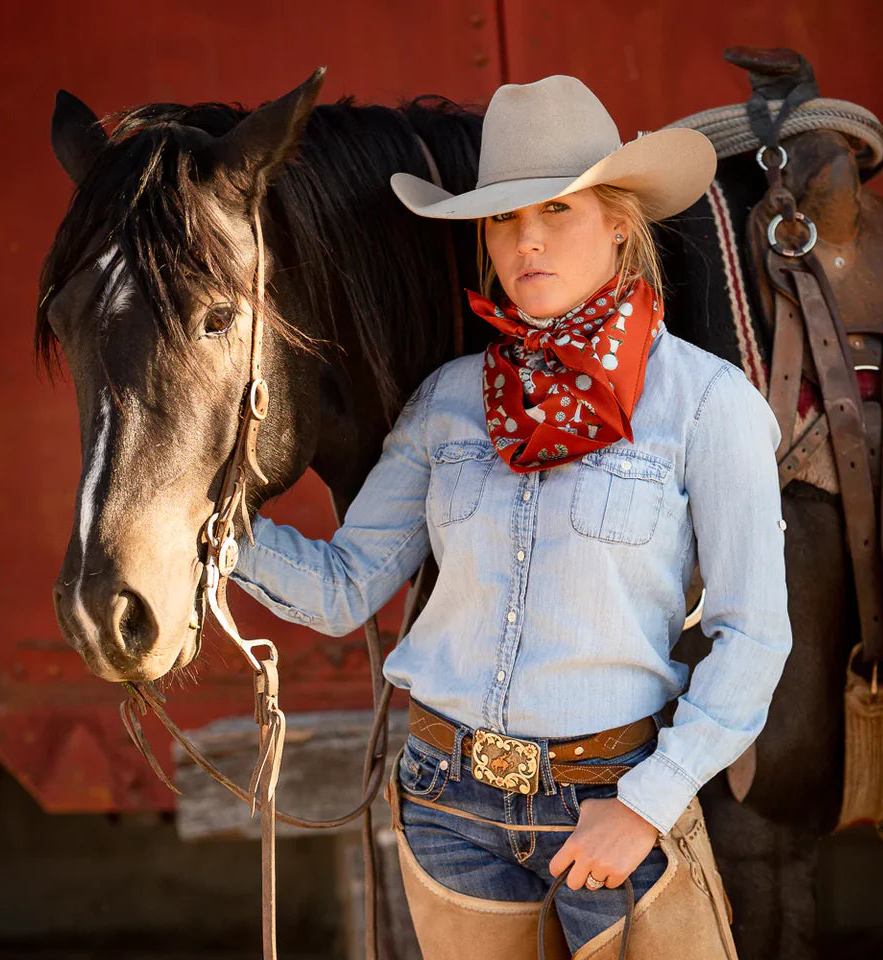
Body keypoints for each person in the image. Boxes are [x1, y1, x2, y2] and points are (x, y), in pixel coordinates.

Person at [232, 75, 792, 959]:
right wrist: (202, 526)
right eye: (501, 219)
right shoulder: (449, 402)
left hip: (608, 804)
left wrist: (648, 807)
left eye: (556, 210)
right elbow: (344, 591)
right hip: (447, 804)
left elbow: (754, 636)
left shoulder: (705, 403)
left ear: (619, 219)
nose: (524, 242)